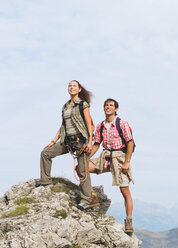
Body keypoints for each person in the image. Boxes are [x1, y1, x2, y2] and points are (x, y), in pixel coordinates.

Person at [39, 80, 99, 210]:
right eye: (70, 86)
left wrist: (89, 142)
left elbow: (89, 124)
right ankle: (45, 183)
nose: (71, 87)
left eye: (74, 86)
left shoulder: (83, 104)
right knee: (45, 154)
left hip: (80, 141)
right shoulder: (65, 106)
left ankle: (86, 199)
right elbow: (62, 126)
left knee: (83, 171)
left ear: (79, 90)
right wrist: (53, 141)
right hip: (67, 141)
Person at [88, 98, 135, 233]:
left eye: (111, 105)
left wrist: (127, 162)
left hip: (120, 158)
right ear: (104, 108)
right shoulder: (100, 125)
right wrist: (85, 158)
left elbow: (130, 143)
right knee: (81, 168)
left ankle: (129, 222)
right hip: (106, 157)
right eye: (106, 105)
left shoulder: (122, 124)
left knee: (125, 191)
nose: (108, 107)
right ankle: (93, 196)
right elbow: (97, 144)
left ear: (116, 109)